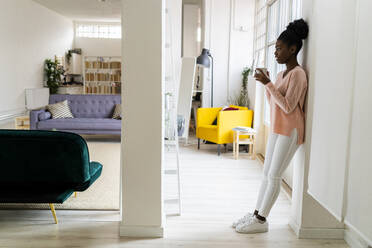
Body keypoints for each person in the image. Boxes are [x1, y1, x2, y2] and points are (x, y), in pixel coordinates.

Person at [233, 19, 309, 234]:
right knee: (266, 174)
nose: (275, 52)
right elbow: (274, 104)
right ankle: (256, 213)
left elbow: (288, 106)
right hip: (277, 127)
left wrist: (268, 84)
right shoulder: (280, 75)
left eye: (279, 48)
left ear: (292, 49)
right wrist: (267, 83)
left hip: (291, 130)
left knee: (274, 176)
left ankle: (262, 221)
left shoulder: (298, 74)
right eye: (275, 48)